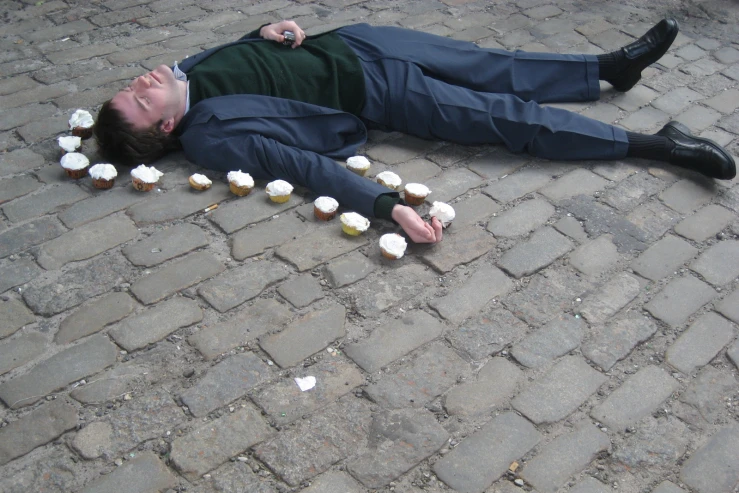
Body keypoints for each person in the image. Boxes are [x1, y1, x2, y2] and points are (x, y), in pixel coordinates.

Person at [94, 18, 736, 244]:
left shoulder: (187, 73)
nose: (143, 80)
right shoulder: (211, 135)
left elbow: (250, 59)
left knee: (495, 65)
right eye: (141, 98)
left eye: (131, 85)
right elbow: (302, 168)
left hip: (359, 43)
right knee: (504, 120)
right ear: (169, 126)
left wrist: (271, 30)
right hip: (378, 92)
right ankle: (657, 144)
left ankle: (608, 69)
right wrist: (386, 208)